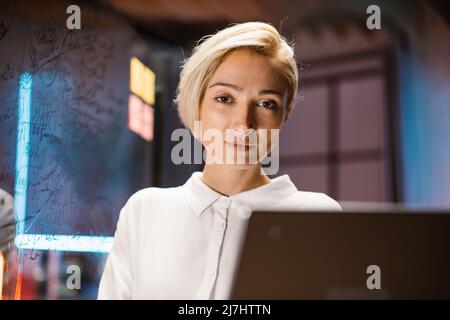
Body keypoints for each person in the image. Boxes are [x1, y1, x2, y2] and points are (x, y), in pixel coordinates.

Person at [98, 21, 342, 300]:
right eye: (225, 98)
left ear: (284, 115)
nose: (244, 122)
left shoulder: (317, 216)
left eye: (266, 103)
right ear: (197, 103)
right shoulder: (144, 210)